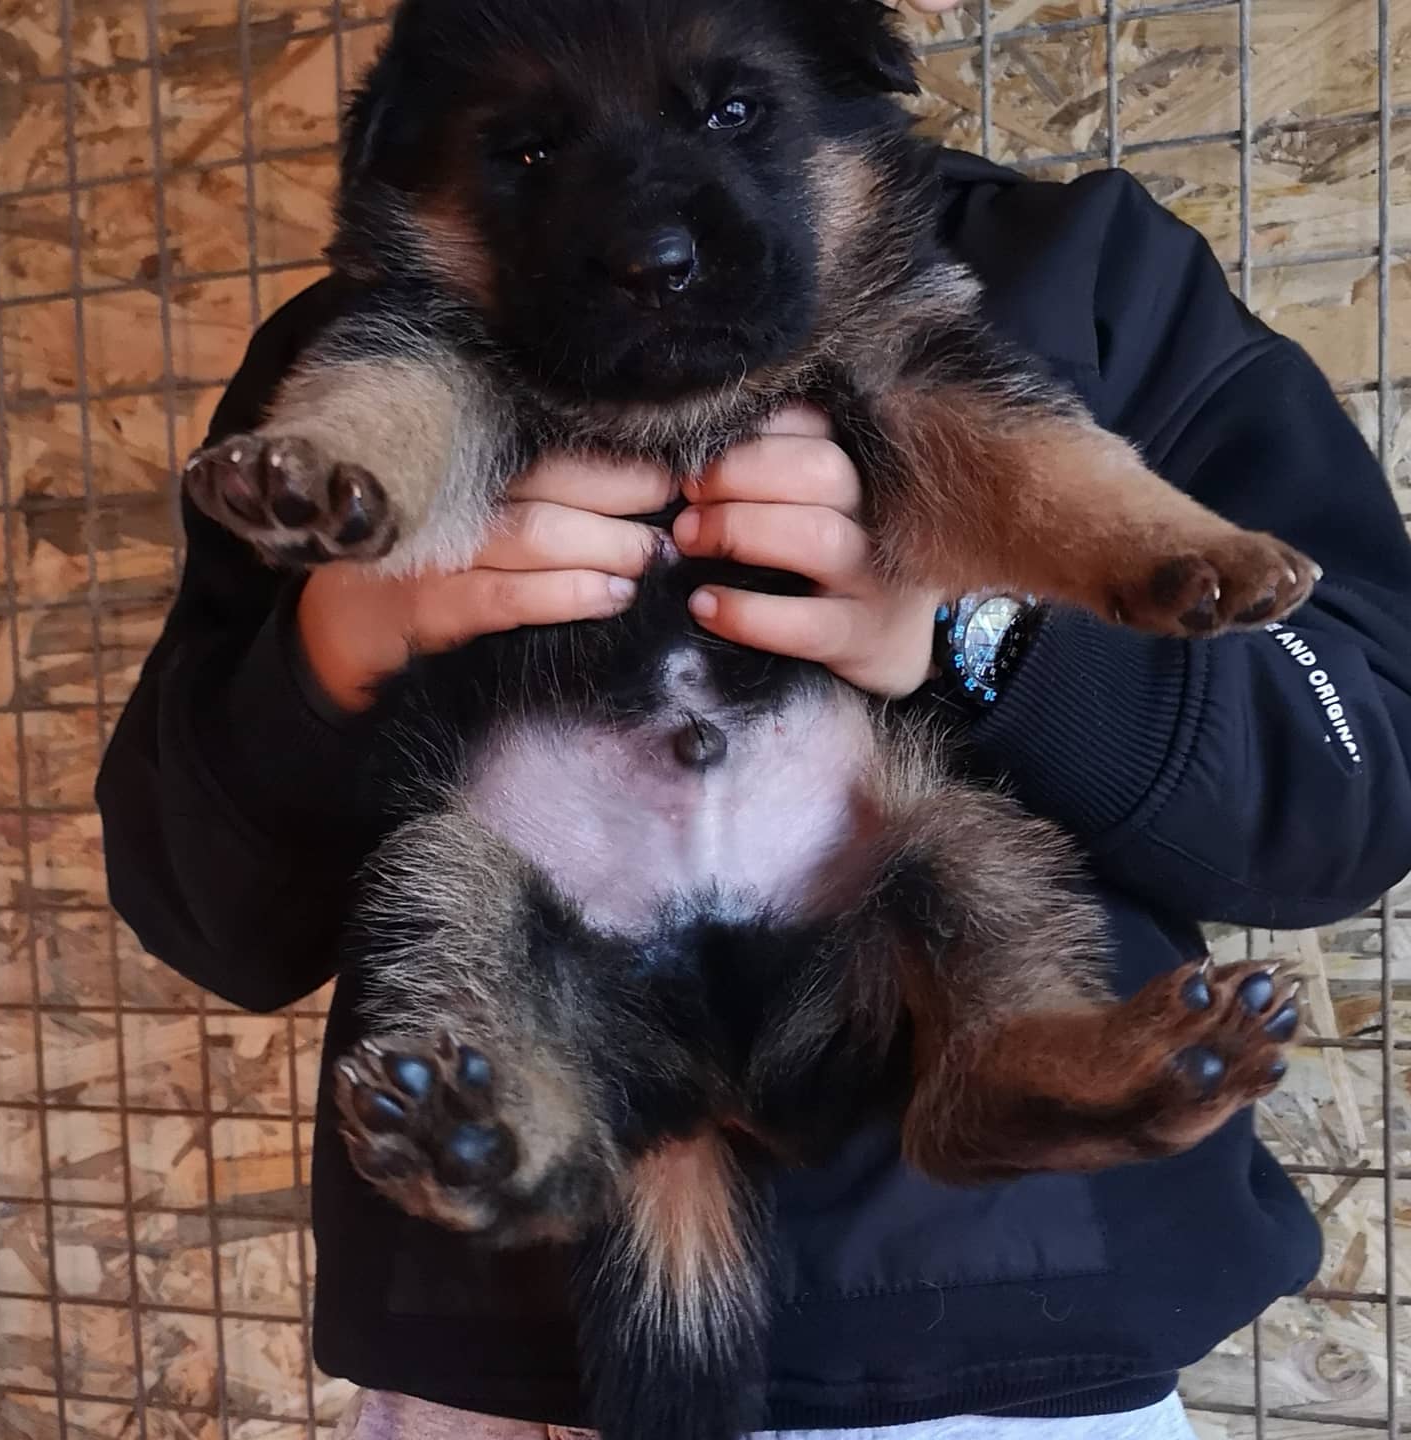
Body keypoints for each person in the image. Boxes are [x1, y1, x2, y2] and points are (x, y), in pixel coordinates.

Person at [95, 7, 1411, 1438]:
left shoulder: (1074, 272)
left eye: (732, 117)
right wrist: (344, 630)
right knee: (457, 884)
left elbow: (1352, 781)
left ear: (850, 93)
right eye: (529, 151)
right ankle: (516, 1135)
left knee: (950, 845)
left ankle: (1008, 1068)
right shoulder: (365, 344)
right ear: (410, 170)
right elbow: (197, 896)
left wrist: (986, 630)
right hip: (497, 1350)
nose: (647, 235)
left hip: (1007, 1347)